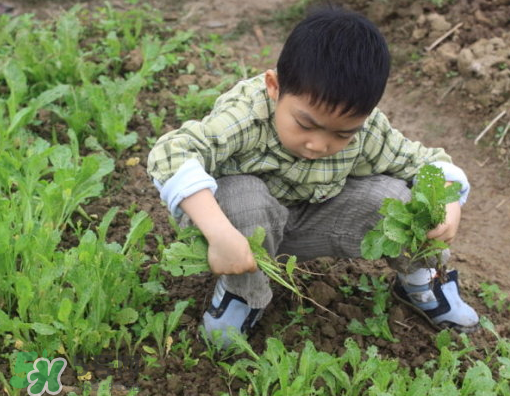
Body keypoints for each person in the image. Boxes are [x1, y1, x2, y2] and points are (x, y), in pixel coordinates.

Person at [147, 5, 479, 345]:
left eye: (342, 134)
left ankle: (423, 279)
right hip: (241, 230)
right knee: (243, 196)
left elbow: (429, 164)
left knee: (400, 199)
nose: (319, 144)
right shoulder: (247, 115)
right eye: (306, 124)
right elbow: (171, 153)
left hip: (312, 223)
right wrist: (219, 234)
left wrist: (448, 205)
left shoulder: (366, 131)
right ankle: (243, 295)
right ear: (274, 86)